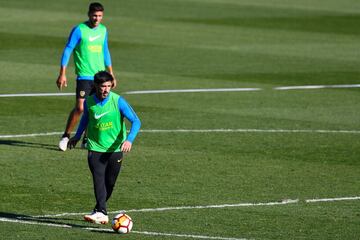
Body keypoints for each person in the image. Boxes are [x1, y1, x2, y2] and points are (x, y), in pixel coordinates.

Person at [68, 71, 141, 224]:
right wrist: (77, 135)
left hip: (115, 150)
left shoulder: (118, 101)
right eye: (103, 86)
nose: (106, 89)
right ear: (96, 86)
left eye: (108, 86)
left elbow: (136, 121)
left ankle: (98, 210)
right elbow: (85, 120)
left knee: (110, 184)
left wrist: (129, 140)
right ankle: (102, 212)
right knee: (98, 180)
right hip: (95, 148)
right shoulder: (89, 102)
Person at [56, 2, 117, 151]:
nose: (97, 18)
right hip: (84, 75)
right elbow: (68, 49)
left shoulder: (103, 30)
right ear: (89, 14)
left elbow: (105, 51)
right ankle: (65, 136)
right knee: (80, 107)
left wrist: (111, 73)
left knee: (94, 107)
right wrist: (62, 73)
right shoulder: (79, 30)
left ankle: (86, 139)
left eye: (100, 16)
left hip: (99, 77)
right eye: (95, 15)